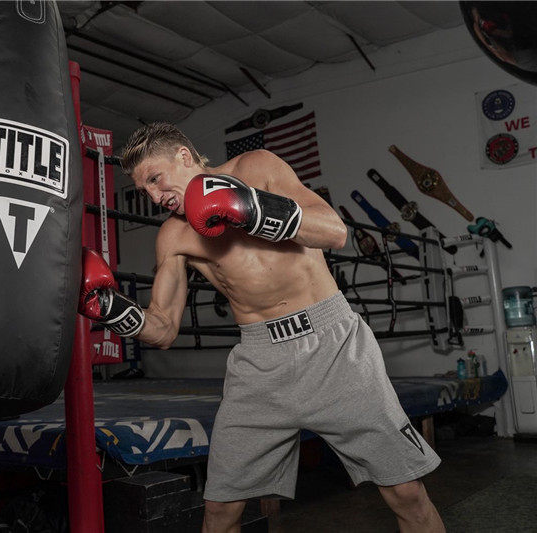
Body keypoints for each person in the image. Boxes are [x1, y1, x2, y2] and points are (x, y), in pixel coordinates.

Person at [79, 122, 445, 533]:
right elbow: (162, 330)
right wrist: (109, 309)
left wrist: (250, 207)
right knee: (220, 511)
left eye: (154, 179)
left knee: (406, 492)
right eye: (144, 190)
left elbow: (334, 231)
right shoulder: (173, 235)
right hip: (258, 365)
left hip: (335, 348)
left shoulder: (257, 167)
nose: (154, 196)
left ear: (183, 156)